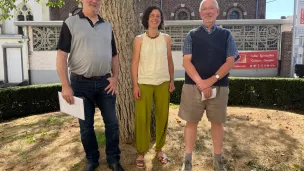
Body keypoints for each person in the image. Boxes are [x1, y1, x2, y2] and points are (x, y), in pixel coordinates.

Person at [56, 0, 124, 171]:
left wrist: (115, 78)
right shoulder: (70, 23)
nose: (94, 1)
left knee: (113, 124)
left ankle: (113, 159)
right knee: (86, 128)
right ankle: (92, 160)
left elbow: (114, 55)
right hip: (80, 85)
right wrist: (65, 85)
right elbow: (62, 56)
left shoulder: (107, 26)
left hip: (105, 83)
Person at [178, 0, 239, 171]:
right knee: (191, 122)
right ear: (200, 14)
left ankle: (218, 162)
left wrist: (210, 81)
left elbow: (230, 61)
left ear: (218, 11)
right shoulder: (191, 35)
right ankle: (187, 161)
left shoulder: (226, 35)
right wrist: (200, 83)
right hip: (192, 87)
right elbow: (186, 61)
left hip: (219, 87)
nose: (207, 11)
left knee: (217, 123)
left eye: (211, 8)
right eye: (204, 9)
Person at [131, 6, 175, 169]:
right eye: (152, 15)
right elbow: (134, 62)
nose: (155, 18)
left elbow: (169, 59)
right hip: (144, 82)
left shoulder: (166, 38)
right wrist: (135, 84)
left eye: (158, 16)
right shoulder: (139, 39)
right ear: (147, 19)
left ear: (161, 19)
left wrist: (171, 80)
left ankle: (159, 148)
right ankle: (141, 151)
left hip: (163, 82)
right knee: (142, 117)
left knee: (162, 116)